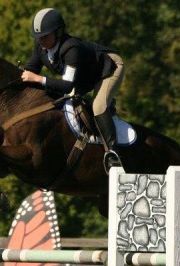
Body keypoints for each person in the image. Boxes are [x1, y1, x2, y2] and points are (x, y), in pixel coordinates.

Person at [21, 8, 124, 170]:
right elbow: (29, 71)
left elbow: (68, 86)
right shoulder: (41, 47)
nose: (41, 41)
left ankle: (113, 154)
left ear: (58, 32)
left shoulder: (71, 49)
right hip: (85, 76)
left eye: (45, 36)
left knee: (98, 107)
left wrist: (39, 79)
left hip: (109, 68)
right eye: (38, 37)